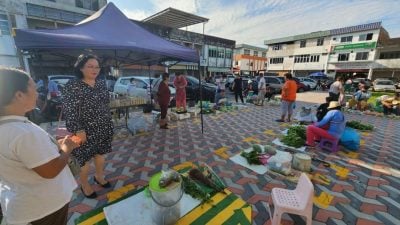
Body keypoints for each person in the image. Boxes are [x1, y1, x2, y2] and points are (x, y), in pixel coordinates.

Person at [0, 67, 79, 225]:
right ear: (19, 95)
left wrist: (53, 146)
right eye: (34, 89)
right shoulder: (22, 132)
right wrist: (67, 148)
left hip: (24, 204)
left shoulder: (9, 126)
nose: (38, 94)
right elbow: (50, 171)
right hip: (42, 208)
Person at [63, 54, 114, 198]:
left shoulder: (101, 83)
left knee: (100, 155)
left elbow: (105, 103)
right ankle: (85, 185)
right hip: (83, 131)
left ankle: (99, 176)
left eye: (97, 67)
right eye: (90, 66)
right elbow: (70, 110)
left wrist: (109, 122)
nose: (94, 70)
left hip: (103, 126)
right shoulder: (72, 85)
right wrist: (78, 129)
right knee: (84, 161)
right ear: (80, 68)